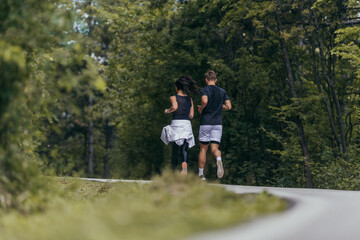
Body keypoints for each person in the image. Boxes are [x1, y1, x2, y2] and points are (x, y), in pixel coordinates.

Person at [161, 75, 199, 175]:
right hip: (186, 124)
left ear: (177, 87)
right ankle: (184, 165)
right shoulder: (190, 99)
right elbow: (191, 115)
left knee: (174, 150)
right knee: (184, 149)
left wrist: (167, 110)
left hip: (176, 124)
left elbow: (174, 107)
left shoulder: (173, 97)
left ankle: (173, 172)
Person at [197, 70, 231, 180]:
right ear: (215, 80)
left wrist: (201, 108)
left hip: (206, 122)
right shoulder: (222, 91)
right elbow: (229, 106)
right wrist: (221, 106)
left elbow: (205, 100)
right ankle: (219, 159)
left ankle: (201, 175)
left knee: (203, 149)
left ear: (206, 80)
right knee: (215, 149)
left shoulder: (204, 90)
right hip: (217, 124)